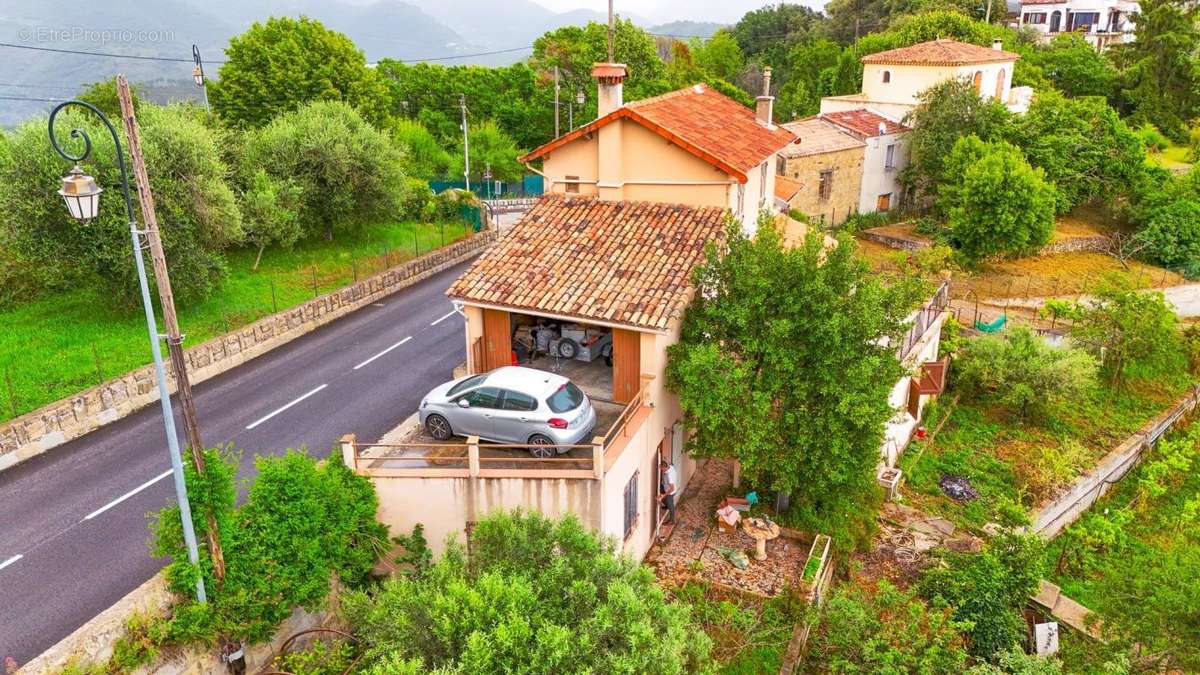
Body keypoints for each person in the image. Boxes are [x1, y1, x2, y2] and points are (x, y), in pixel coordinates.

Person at [659, 458, 678, 524]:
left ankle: (672, 521)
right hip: (665, 487)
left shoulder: (669, 476)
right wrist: (665, 458)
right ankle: (667, 506)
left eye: (661, 468)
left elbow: (672, 488)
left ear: (665, 468)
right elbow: (669, 462)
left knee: (670, 505)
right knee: (664, 500)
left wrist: (663, 495)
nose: (661, 469)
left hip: (671, 492)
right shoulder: (670, 467)